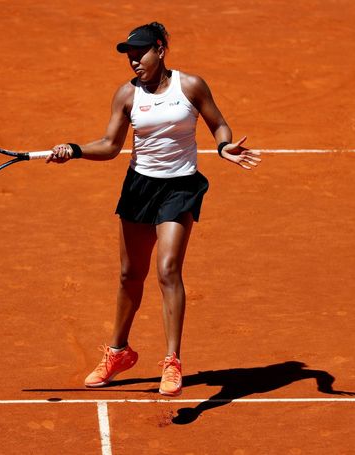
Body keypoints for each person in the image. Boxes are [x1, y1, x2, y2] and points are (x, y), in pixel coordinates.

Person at [47, 22, 260, 396]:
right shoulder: (126, 95)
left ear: (161, 50)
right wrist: (75, 149)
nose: (134, 61)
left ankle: (172, 361)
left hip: (180, 188)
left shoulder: (190, 86)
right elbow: (111, 145)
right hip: (139, 187)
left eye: (140, 53)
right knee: (130, 274)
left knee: (167, 269)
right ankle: (118, 352)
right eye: (130, 55)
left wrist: (224, 147)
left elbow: (219, 124)